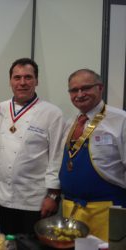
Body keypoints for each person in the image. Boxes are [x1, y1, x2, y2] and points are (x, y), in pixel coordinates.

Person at [0, 58, 64, 235]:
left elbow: (57, 157)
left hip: (36, 199)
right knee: (8, 242)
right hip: (3, 197)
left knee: (32, 246)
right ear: (10, 81)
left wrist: (53, 196)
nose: (22, 83)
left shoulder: (52, 113)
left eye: (28, 77)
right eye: (17, 78)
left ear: (37, 81)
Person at [60, 69, 126, 241]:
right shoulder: (71, 123)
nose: (80, 94)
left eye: (86, 88)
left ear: (100, 88)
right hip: (72, 211)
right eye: (74, 90)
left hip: (106, 211)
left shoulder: (120, 120)